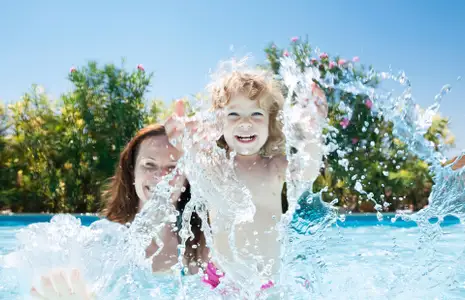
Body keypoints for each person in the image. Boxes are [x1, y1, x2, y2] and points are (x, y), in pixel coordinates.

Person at [167, 70, 328, 290]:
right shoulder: (215, 166)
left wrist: (313, 131)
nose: (245, 122)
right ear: (218, 123)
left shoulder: (274, 167)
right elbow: (189, 157)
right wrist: (181, 137)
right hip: (221, 280)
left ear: (271, 122)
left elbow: (308, 169)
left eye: (256, 114)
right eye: (233, 114)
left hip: (267, 283)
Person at [30, 124, 209, 299]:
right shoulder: (103, 243)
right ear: (132, 171)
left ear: (186, 176)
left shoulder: (202, 244)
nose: (161, 177)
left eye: (172, 167)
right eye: (149, 165)